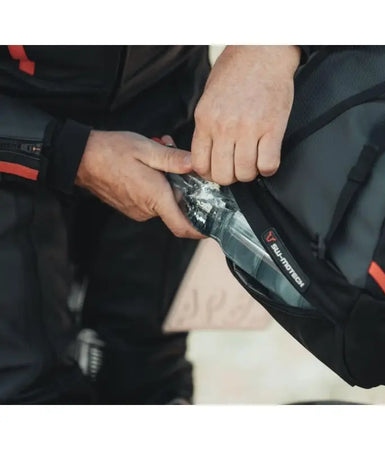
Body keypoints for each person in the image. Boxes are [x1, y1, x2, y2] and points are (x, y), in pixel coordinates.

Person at [0, 45, 301, 404]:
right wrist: (70, 152)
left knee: (146, 368)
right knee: (25, 384)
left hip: (166, 104)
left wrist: (267, 47)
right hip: (16, 129)